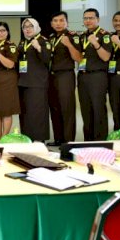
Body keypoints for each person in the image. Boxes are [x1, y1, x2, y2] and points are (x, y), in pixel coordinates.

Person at [76, 8, 111, 141]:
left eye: (91, 18)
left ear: (98, 19)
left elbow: (106, 57)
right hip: (83, 75)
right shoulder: (82, 36)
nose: (88, 21)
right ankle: (88, 140)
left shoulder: (104, 35)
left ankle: (100, 140)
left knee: (98, 109)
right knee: (86, 109)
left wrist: (95, 43)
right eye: (85, 18)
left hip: (97, 76)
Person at [47, 11, 80, 146]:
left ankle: (68, 140)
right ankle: (58, 138)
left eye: (61, 21)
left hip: (65, 75)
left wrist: (69, 45)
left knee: (67, 108)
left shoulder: (72, 36)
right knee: (54, 108)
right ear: (51, 23)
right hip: (51, 76)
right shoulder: (51, 37)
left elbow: (78, 58)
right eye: (55, 21)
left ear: (67, 22)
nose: (58, 23)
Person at [17, 18, 51, 141]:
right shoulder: (22, 42)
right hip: (23, 82)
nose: (27, 29)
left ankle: (39, 139)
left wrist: (39, 48)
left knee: (38, 112)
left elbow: (47, 60)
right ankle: (27, 138)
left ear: (36, 27)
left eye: (30, 26)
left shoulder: (43, 41)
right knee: (25, 113)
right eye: (25, 27)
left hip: (37, 83)